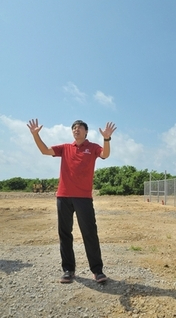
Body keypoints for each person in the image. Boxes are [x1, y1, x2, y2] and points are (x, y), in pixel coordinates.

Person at [27, 118, 117, 284]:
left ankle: (97, 271)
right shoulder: (65, 148)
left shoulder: (93, 147)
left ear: (86, 132)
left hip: (83, 198)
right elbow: (45, 150)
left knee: (89, 233)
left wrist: (106, 139)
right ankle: (68, 270)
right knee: (65, 233)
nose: (76, 130)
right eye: (74, 128)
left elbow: (105, 154)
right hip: (63, 196)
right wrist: (35, 135)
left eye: (80, 127)